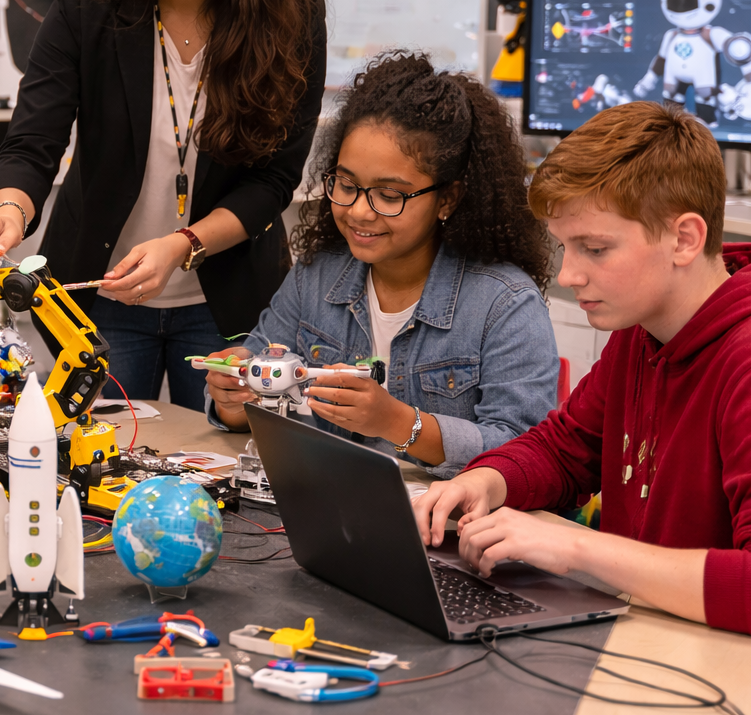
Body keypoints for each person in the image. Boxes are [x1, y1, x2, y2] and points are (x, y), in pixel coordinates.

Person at [412, 102, 751, 715]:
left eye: (595, 248)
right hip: (658, 644)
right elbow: (568, 447)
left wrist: (578, 547)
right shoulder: (645, 325)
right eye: (564, 247)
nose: (568, 275)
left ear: (685, 238)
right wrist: (485, 481)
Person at [0, 0, 327, 412]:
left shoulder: (295, 19)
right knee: (99, 459)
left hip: (228, 302)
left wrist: (183, 244)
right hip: (98, 296)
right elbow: (33, 140)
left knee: (225, 473)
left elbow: (273, 181)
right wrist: (7, 210)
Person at [207, 52, 559, 478]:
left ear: (447, 198)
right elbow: (254, 376)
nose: (358, 212)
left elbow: (527, 455)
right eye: (348, 185)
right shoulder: (316, 276)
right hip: (324, 510)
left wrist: (397, 422)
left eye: (389, 196)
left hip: (448, 533)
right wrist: (234, 397)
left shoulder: (504, 304)